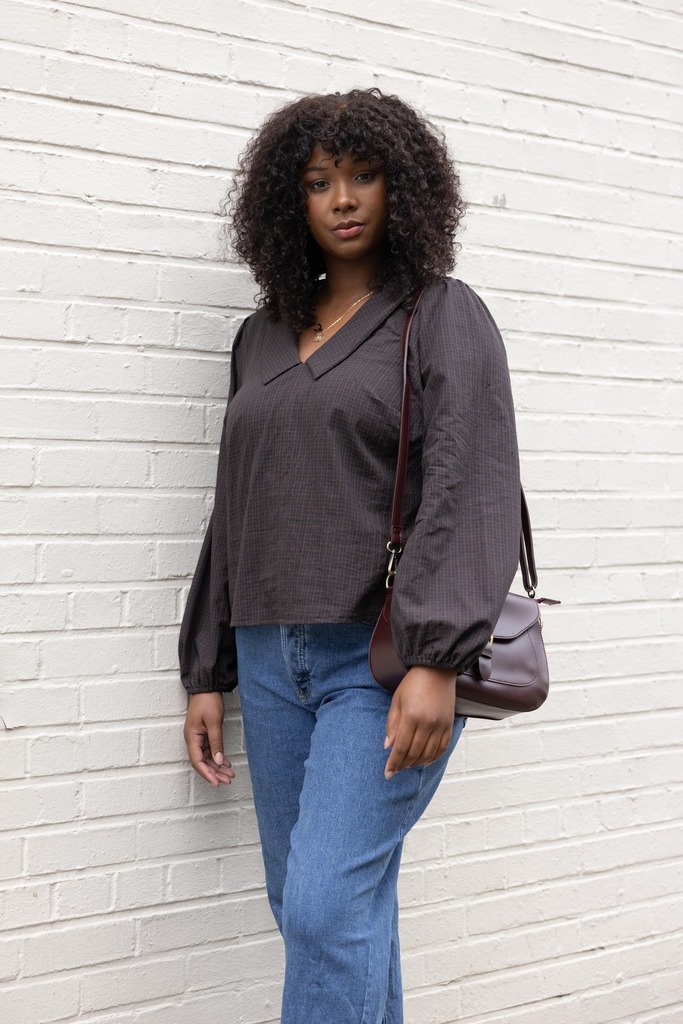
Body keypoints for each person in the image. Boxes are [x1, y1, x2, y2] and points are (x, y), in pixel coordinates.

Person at [178, 88, 520, 1024]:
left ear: (401, 187)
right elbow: (234, 508)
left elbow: (470, 481)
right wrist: (206, 668)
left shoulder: (438, 314)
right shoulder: (258, 337)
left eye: (361, 175)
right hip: (267, 655)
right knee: (318, 909)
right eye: (318, 181)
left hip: (377, 658)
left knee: (329, 908)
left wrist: (435, 658)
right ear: (287, 202)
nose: (341, 198)